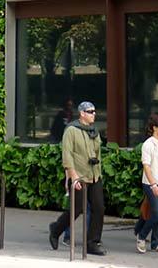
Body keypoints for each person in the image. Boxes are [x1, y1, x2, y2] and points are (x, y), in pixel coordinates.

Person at [48, 101, 106, 256]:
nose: (94, 114)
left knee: (99, 208)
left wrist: (98, 171)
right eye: (90, 111)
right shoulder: (71, 130)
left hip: (94, 175)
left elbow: (98, 152)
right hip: (79, 175)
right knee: (77, 209)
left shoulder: (94, 130)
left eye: (94, 111)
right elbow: (67, 155)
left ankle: (92, 242)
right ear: (82, 113)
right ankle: (56, 229)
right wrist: (73, 176)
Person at [134, 113, 158, 254]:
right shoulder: (148, 144)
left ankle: (155, 243)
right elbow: (146, 166)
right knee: (157, 213)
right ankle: (142, 236)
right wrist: (153, 184)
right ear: (155, 128)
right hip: (151, 182)